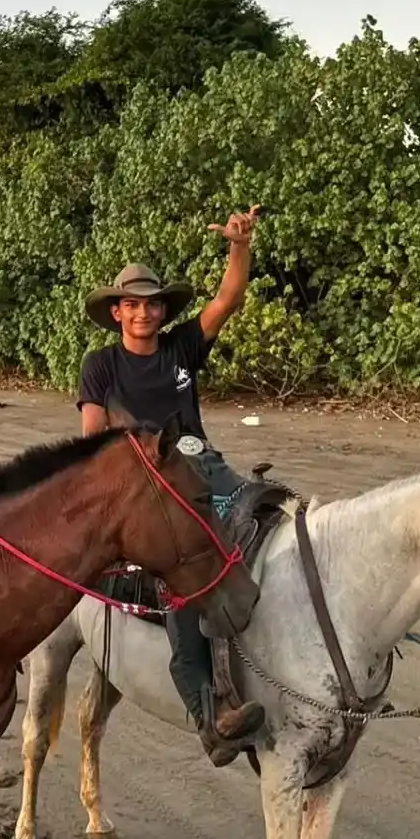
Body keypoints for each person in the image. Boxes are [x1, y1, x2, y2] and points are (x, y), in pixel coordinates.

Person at [78, 206, 266, 757]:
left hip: (202, 465)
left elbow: (228, 299)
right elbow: (93, 439)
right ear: (117, 312)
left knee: (267, 518)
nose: (143, 313)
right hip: (144, 480)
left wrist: (239, 246)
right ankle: (209, 710)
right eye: (132, 304)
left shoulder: (183, 346)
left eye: (152, 304)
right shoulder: (102, 365)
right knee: (185, 570)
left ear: (163, 310)